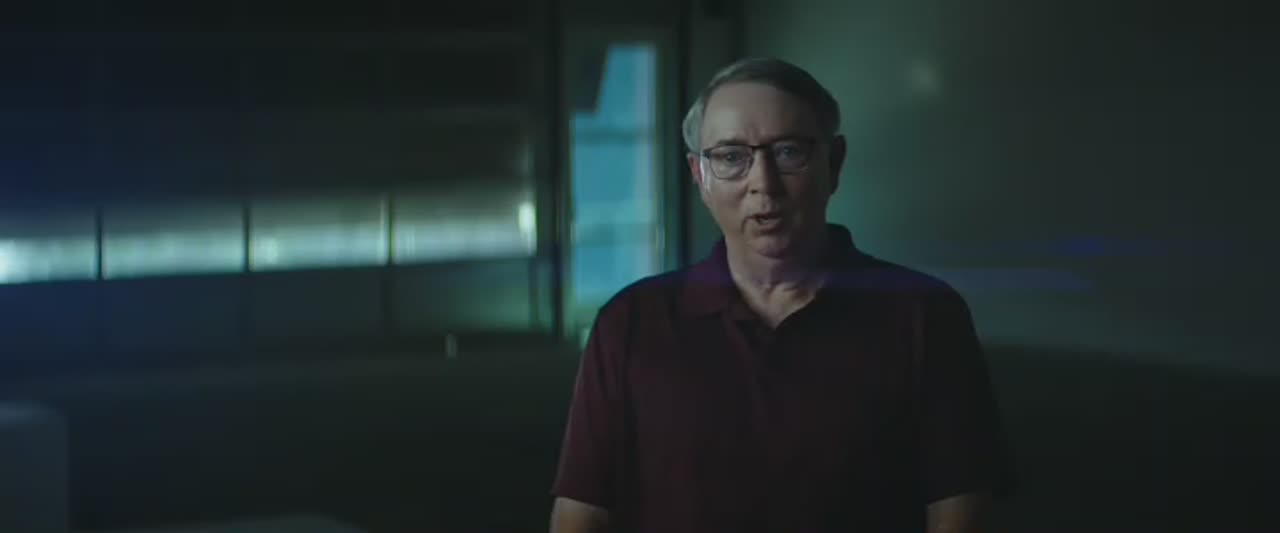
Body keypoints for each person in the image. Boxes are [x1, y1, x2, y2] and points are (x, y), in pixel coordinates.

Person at [549, 57, 1013, 533]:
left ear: (834, 163)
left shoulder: (925, 315)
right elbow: (582, 512)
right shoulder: (630, 323)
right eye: (731, 157)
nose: (763, 184)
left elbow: (959, 509)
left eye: (789, 152)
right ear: (699, 176)